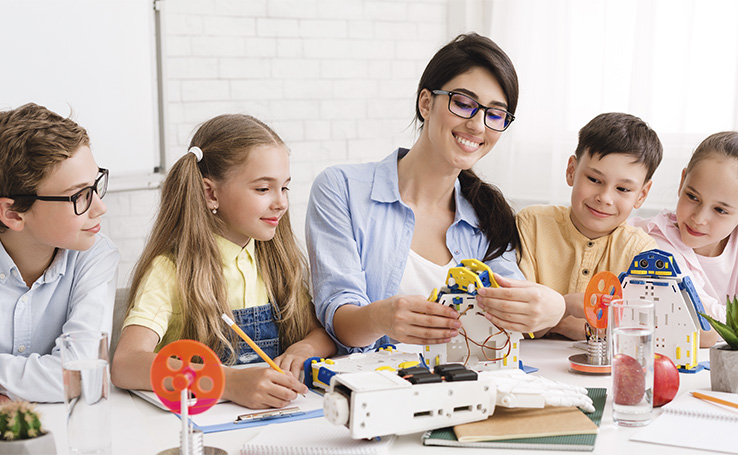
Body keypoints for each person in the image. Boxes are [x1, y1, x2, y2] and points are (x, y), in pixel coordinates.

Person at [305, 33, 565, 354]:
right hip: (374, 388)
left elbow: (506, 321)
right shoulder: (341, 188)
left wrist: (552, 310)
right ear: (426, 102)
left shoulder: (489, 214)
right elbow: (338, 318)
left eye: (495, 114)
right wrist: (381, 318)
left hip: (467, 388)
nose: (478, 126)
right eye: (464, 103)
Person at [111, 114, 336, 409]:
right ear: (210, 193)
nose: (281, 202)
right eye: (263, 189)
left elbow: (321, 333)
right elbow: (126, 364)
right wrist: (227, 383)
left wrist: (305, 348)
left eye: (284, 188)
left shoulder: (278, 263)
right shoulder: (170, 271)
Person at [0, 103, 119, 403]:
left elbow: (81, 374)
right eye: (79, 195)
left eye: (95, 185)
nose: (100, 207)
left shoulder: (96, 256)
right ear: (13, 213)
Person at [516, 113, 662, 341]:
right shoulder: (531, 224)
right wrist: (565, 307)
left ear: (641, 195)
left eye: (623, 189)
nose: (605, 198)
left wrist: (563, 322)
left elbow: (647, 330)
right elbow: (515, 320)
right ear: (572, 170)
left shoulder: (641, 251)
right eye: (594, 180)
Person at [632, 132, 738, 347]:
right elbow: (694, 316)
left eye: (720, 210)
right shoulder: (657, 240)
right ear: (682, 181)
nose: (699, 219)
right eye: (692, 197)